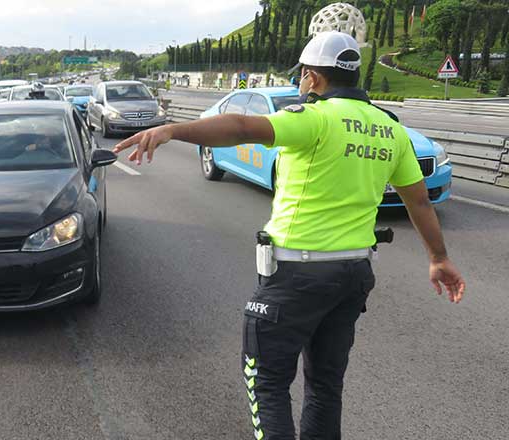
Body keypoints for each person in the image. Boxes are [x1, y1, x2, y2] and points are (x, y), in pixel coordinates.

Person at [113, 31, 465, 440]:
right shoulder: (390, 130)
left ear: (313, 78)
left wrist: (174, 130)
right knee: (326, 387)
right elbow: (419, 202)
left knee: (267, 384)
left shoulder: (313, 118)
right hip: (353, 274)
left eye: (303, 76)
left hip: (297, 275)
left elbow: (242, 126)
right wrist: (438, 257)